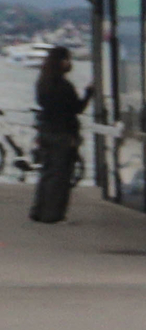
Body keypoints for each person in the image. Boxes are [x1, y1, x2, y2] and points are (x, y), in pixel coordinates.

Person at [29, 46, 89, 224]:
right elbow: (76, 108)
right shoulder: (64, 86)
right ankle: (53, 214)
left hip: (46, 131)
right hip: (63, 133)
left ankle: (38, 210)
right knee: (61, 175)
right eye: (67, 59)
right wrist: (89, 93)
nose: (70, 63)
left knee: (47, 173)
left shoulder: (42, 83)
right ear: (61, 62)